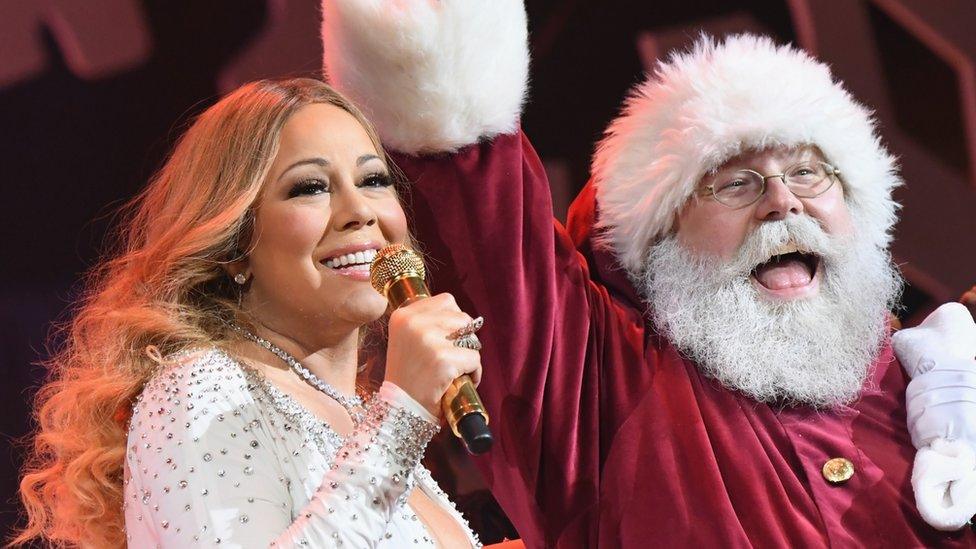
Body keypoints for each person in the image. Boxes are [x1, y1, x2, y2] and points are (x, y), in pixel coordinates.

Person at [321, 1, 976, 547]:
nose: (783, 200)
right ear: (661, 237)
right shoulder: (604, 389)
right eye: (736, 182)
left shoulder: (939, 382)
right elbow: (472, 193)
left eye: (810, 172)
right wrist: (425, 42)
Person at [16, 78, 485, 547]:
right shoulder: (199, 390)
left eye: (373, 180)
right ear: (236, 243)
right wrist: (402, 414)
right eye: (310, 187)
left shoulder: (364, 414)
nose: (359, 210)